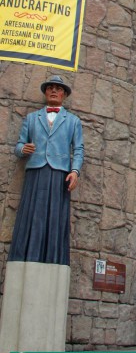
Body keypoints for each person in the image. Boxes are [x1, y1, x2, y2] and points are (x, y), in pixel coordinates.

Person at [9, 75, 84, 265]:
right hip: (35, 171)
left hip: (59, 175)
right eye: (50, 87)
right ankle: (26, 256)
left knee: (55, 217)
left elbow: (78, 149)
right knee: (30, 214)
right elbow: (19, 145)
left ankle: (53, 258)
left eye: (58, 89)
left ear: (64, 95)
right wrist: (22, 149)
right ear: (45, 92)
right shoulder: (32, 118)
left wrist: (75, 171)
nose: (53, 91)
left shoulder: (73, 121)